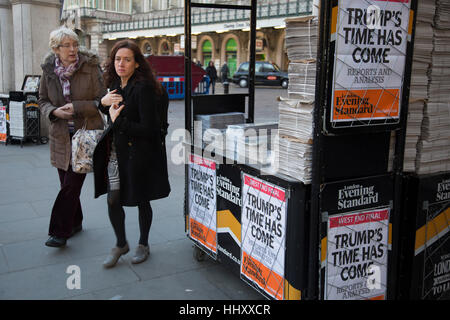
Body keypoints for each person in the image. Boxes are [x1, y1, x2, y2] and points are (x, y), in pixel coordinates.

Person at [93, 40, 170, 268]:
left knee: (141, 198)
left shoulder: (143, 88)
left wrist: (119, 121)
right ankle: (120, 243)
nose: (121, 64)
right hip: (116, 153)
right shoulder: (115, 84)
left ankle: (143, 243)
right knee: (112, 198)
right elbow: (110, 111)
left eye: (127, 59)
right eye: (117, 59)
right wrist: (101, 103)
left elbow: (149, 128)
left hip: (140, 154)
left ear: (137, 64)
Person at [38, 27, 106, 248]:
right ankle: (75, 222)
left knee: (70, 186)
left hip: (85, 134)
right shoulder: (48, 70)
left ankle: (59, 231)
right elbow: (42, 100)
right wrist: (54, 112)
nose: (73, 49)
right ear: (56, 49)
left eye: (75, 44)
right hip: (60, 136)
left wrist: (76, 107)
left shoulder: (91, 66)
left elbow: (101, 100)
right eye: (67, 45)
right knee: (66, 184)